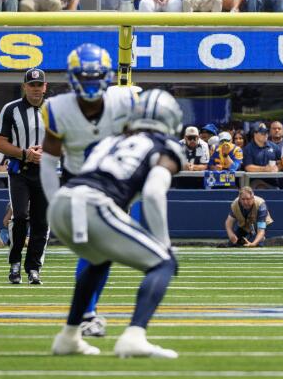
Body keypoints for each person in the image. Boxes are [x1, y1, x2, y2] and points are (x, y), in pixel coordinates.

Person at [48, 89, 184, 358]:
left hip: (62, 202)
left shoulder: (113, 139)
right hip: (93, 204)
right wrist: (164, 245)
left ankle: (69, 337)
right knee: (164, 263)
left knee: (100, 260)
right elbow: (154, 193)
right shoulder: (165, 146)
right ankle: (135, 336)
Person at [40, 44, 136, 338]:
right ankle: (88, 314)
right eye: (85, 77)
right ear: (72, 77)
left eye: (96, 77)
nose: (91, 84)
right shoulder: (58, 109)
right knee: (92, 245)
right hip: (78, 180)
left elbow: (136, 146)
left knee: (103, 250)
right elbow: (49, 159)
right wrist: (54, 202)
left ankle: (88, 312)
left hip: (114, 181)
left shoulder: (125, 102)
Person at [0, 68, 48, 285]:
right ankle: (15, 262)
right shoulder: (11, 109)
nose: (35, 89)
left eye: (39, 85)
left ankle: (34, 268)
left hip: (46, 172)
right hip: (20, 172)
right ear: (25, 86)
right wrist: (26, 153)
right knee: (21, 216)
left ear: (45, 87)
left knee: (41, 221)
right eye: (31, 85)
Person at [242, 122, 280, 188]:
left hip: (273, 182)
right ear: (255, 133)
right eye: (262, 132)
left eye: (266, 132)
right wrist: (265, 169)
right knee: (260, 187)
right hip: (255, 183)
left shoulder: (274, 147)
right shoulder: (248, 148)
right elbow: (248, 167)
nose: (265, 134)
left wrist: (278, 167)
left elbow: (280, 162)